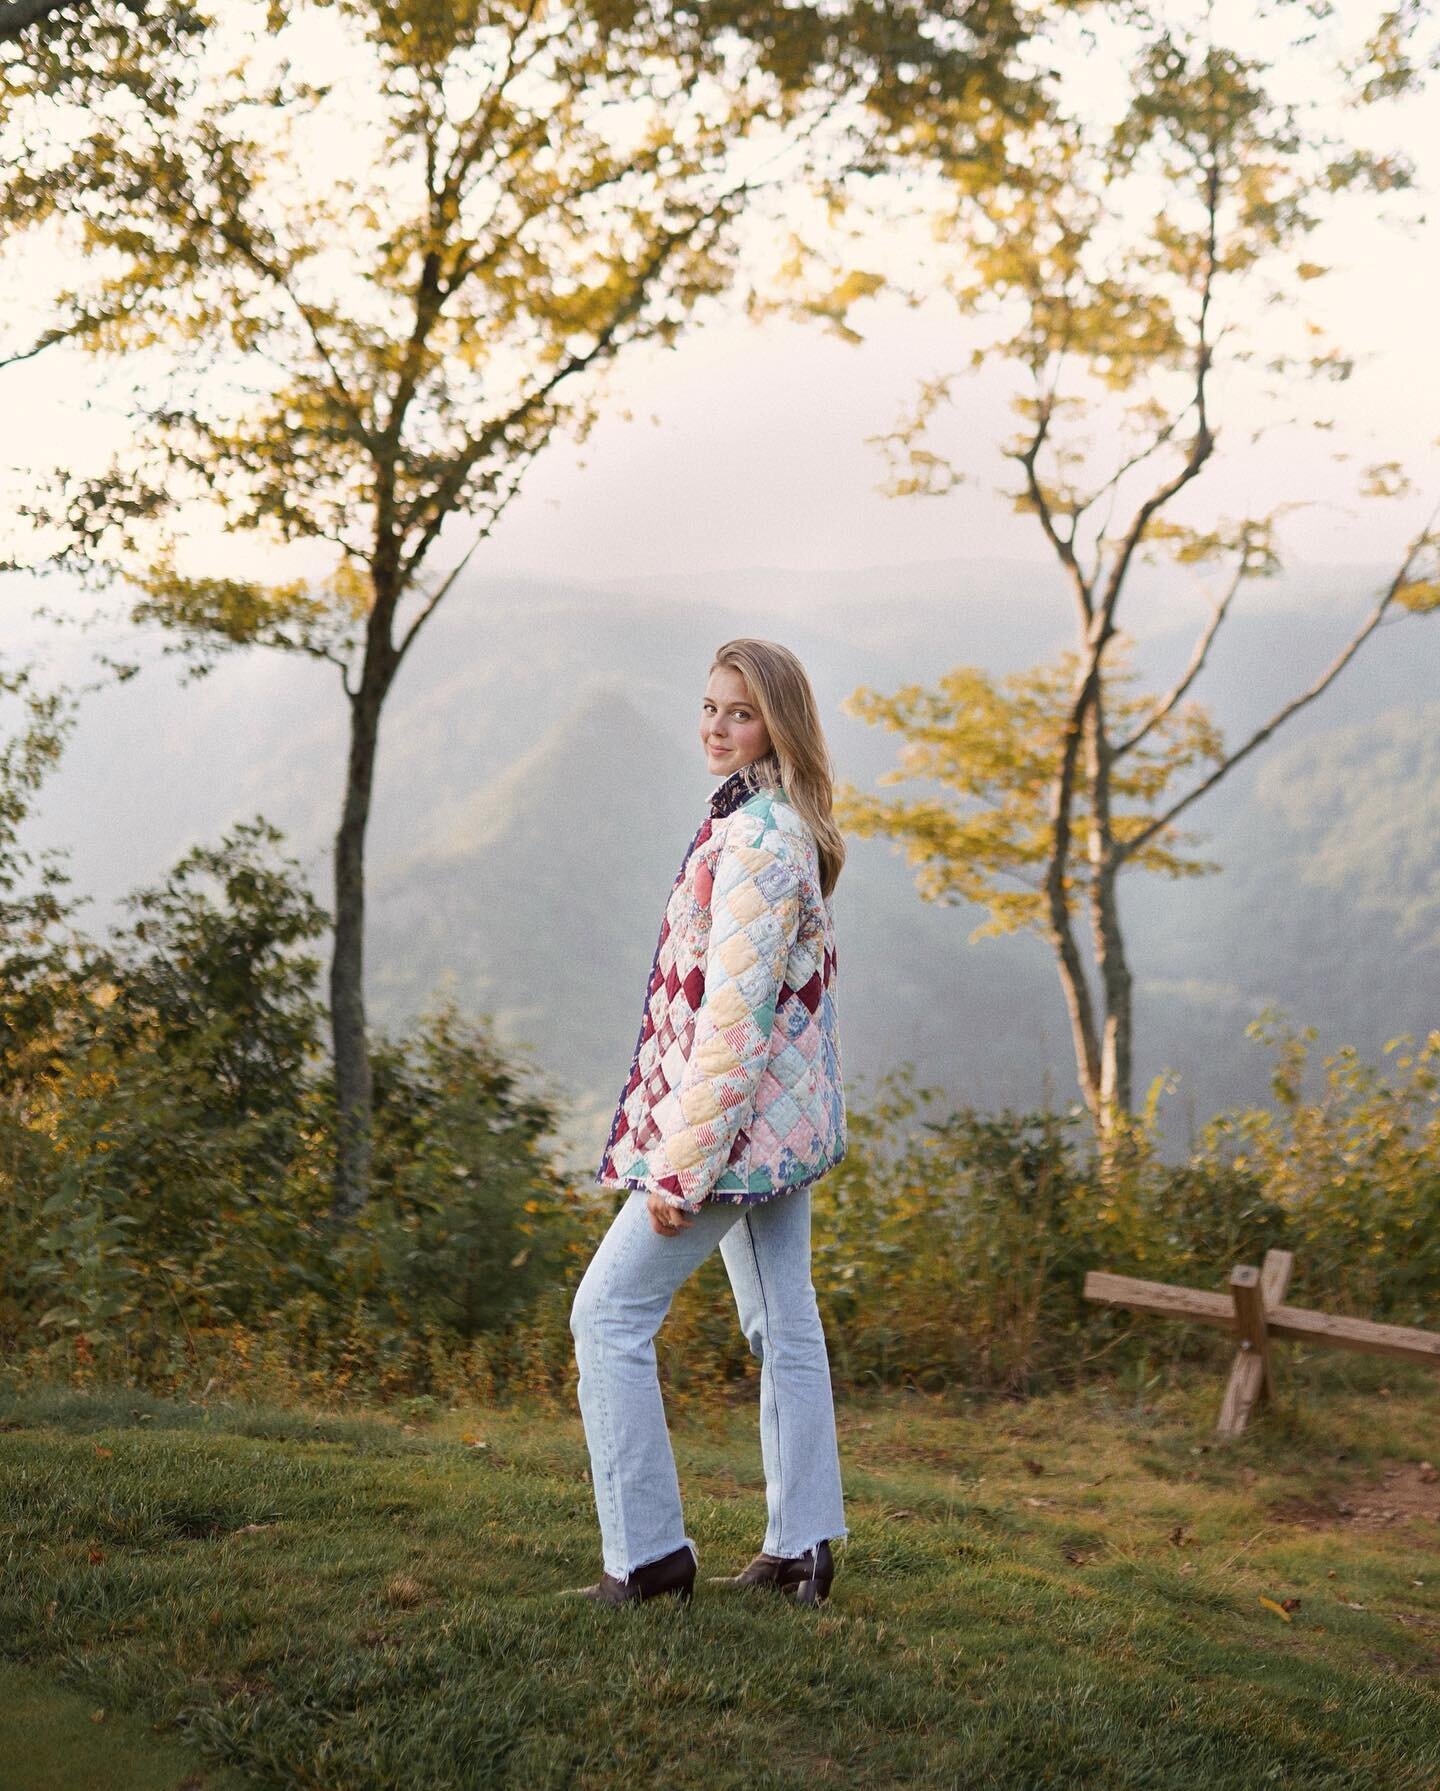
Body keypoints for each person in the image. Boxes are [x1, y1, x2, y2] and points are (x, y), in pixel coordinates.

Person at [563, 638, 850, 1608]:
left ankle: (646, 1560)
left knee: (607, 1316)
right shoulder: (761, 819)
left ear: (780, 724)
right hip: (776, 1129)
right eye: (709, 707)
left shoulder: (762, 841)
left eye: (740, 712)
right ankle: (802, 1544)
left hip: (734, 1136)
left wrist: (680, 1171)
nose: (716, 728)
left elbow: (733, 1023)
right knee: (785, 1322)